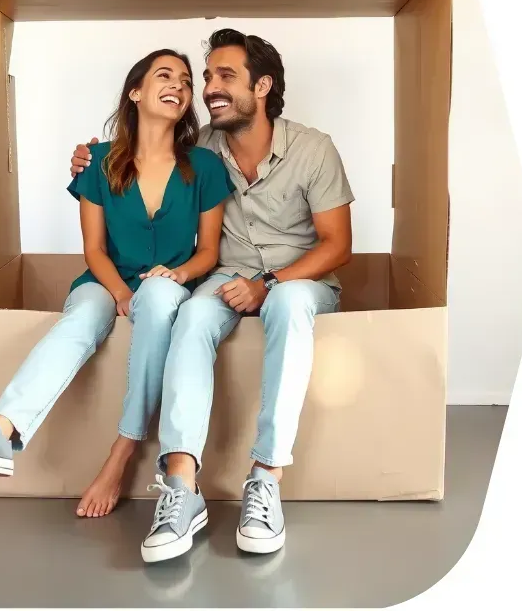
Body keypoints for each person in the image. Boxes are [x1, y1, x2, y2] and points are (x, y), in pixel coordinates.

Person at [70, 29, 354, 562]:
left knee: (289, 305)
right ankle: (182, 486)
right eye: (207, 78)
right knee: (191, 317)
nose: (209, 89)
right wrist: (88, 158)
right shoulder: (199, 151)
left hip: (298, 281)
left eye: (226, 76)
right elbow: (138, 155)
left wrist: (267, 284)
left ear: (263, 85)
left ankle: (265, 476)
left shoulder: (313, 148)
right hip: (221, 278)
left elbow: (339, 246)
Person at [0, 48, 235, 522]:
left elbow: (209, 251)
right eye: (165, 75)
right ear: (135, 92)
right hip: (105, 279)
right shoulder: (97, 161)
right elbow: (94, 249)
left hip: (171, 283)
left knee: (156, 295)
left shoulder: (204, 167)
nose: (180, 85)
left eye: (187, 81)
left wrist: (177, 276)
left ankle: (121, 453)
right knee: (81, 318)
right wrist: (119, 293)